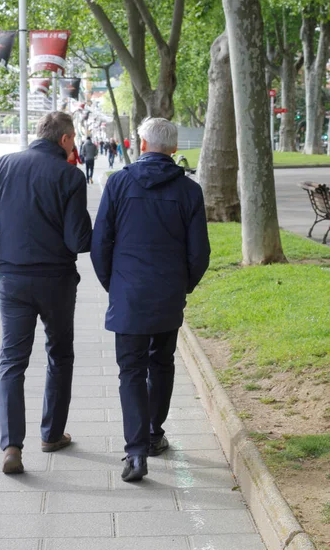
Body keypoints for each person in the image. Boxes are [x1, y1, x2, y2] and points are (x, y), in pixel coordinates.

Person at [91, 117, 210, 483]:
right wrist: (183, 286)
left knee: (130, 371)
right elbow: (199, 252)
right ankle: (155, 432)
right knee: (161, 364)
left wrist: (114, 285)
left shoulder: (119, 183)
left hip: (129, 294)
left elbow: (100, 245)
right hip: (167, 294)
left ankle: (136, 451)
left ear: (142, 145)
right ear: (174, 149)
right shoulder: (189, 192)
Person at [0, 111, 92, 475]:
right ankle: (52, 434)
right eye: (73, 139)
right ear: (64, 140)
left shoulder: (3, 165)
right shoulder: (70, 176)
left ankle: (12, 445)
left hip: (12, 278)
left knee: (12, 362)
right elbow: (78, 239)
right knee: (60, 354)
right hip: (56, 281)